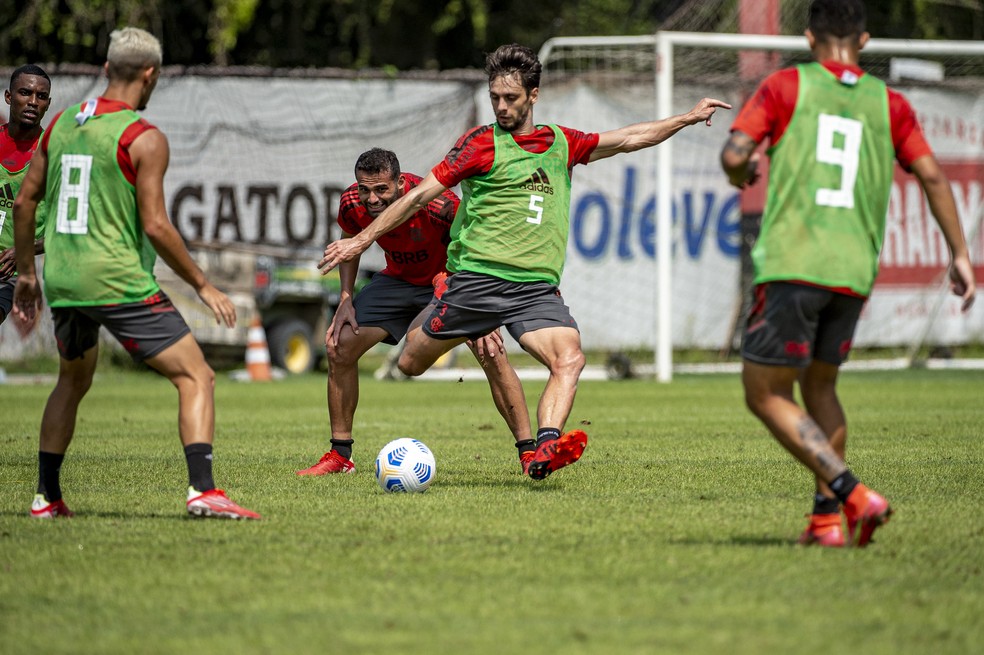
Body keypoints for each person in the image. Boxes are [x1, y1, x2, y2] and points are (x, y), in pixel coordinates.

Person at [320, 44, 730, 480]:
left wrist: (684, 118)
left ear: (533, 95)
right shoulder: (479, 143)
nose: (501, 106)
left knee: (569, 359)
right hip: (474, 283)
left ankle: (544, 449)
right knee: (409, 364)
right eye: (495, 96)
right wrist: (360, 242)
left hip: (534, 289)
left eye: (510, 98)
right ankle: (349, 443)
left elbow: (629, 138)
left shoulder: (562, 143)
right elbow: (421, 194)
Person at [720, 0, 976, 547]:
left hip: (794, 261)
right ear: (863, 41)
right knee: (821, 387)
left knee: (763, 392)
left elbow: (734, 152)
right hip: (854, 270)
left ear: (810, 37)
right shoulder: (890, 103)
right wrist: (958, 253)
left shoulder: (786, 86)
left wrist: (743, 169)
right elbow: (931, 176)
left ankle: (852, 493)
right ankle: (824, 522)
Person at [13, 27, 260, 520]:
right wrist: (203, 284)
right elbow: (156, 225)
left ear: (107, 70)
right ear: (150, 75)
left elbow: (25, 202)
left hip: (63, 280)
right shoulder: (143, 137)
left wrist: (26, 274)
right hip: (117, 280)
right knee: (197, 376)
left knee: (72, 382)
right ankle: (203, 492)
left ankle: (46, 497)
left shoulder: (60, 124)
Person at [297, 148, 535, 475]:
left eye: (381, 189)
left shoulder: (438, 204)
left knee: (490, 351)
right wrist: (346, 298)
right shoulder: (352, 203)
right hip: (398, 281)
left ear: (399, 182)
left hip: (449, 282)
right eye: (365, 188)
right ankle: (340, 457)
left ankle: (529, 453)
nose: (372, 198)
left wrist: (482, 303)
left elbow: (480, 241)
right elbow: (349, 239)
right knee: (338, 345)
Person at [1, 65, 51, 326]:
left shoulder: (53, 155)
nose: (33, 102)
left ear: (48, 104)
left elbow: (66, 227)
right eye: (25, 93)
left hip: (7, 275)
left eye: (41, 96)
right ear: (9, 97)